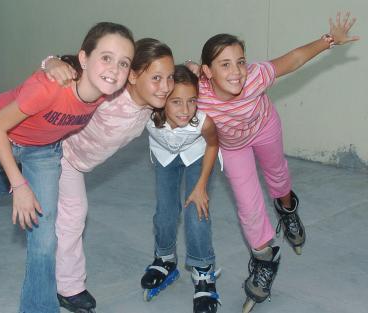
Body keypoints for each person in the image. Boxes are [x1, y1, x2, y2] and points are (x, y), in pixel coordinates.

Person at [186, 12, 359, 313]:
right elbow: (160, 86)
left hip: (264, 128)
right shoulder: (197, 93)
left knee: (278, 177)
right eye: (225, 64)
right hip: (232, 147)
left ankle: (288, 209)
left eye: (240, 61)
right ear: (207, 71)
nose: (237, 71)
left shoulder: (255, 76)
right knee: (248, 206)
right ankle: (265, 259)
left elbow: (292, 59)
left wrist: (328, 40)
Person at [0, 22, 135, 313]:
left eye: (123, 63)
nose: (115, 69)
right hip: (0, 131)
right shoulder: (50, 87)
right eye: (106, 58)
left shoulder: (105, 92)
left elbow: (152, 76)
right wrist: (21, 186)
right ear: (84, 59)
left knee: (44, 238)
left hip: (43, 152)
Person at [141, 65, 220, 313]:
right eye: (176, 102)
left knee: (196, 210)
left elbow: (213, 146)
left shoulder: (202, 122)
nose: (185, 110)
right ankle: (164, 258)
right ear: (162, 99)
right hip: (165, 156)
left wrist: (200, 186)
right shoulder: (146, 114)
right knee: (165, 211)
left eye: (191, 101)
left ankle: (203, 270)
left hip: (197, 155)